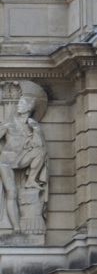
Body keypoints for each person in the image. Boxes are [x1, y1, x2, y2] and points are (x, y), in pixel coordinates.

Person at [0, 95, 48, 232]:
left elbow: (39, 145)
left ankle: (31, 180)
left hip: (21, 159)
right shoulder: (9, 123)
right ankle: (16, 227)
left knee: (41, 152)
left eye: (21, 103)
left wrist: (36, 130)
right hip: (5, 161)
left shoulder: (32, 125)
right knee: (12, 192)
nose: (18, 105)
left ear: (28, 107)